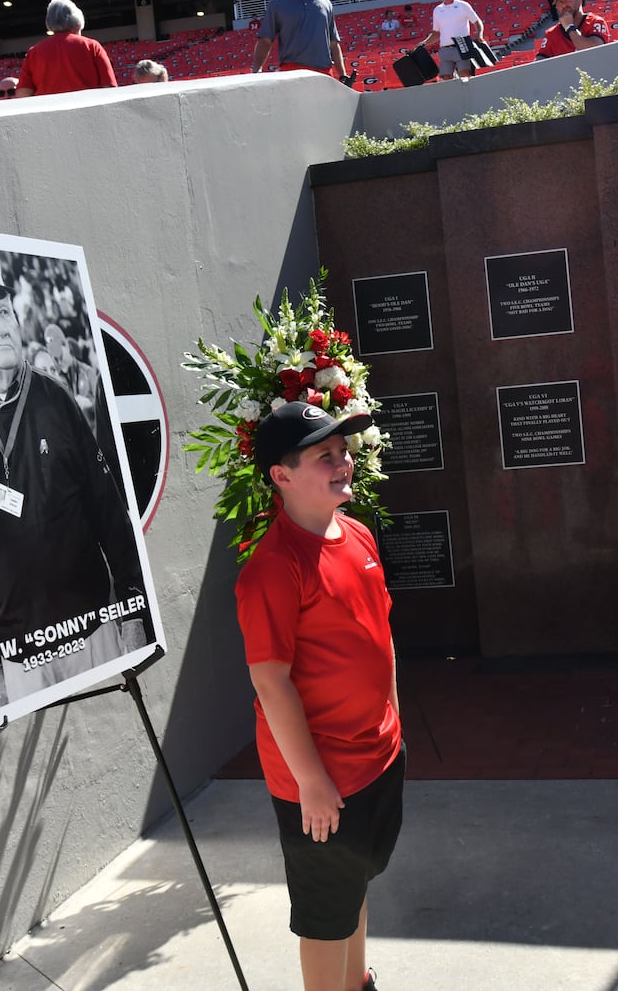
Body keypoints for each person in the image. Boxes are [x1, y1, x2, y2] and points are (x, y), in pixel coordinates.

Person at [0, 250, 152, 713]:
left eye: (5, 310)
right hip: (17, 656)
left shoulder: (55, 398)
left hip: (92, 630)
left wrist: (133, 606)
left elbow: (108, 510)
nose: (0, 325)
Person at [235, 401, 404, 991]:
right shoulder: (273, 568)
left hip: (376, 758)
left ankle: (357, 982)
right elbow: (270, 681)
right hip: (322, 779)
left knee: (353, 884)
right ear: (281, 476)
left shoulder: (355, 532)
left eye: (345, 451)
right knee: (325, 917)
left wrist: (394, 722)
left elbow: (377, 634)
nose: (344, 462)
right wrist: (311, 781)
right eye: (324, 455)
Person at [253, 0, 353, 86]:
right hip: (292, 74)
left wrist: (342, 75)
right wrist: (256, 71)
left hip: (324, 74)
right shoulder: (277, 3)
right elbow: (265, 40)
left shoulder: (325, 3)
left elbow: (333, 43)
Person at [15, 0, 117, 97]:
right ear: (78, 23)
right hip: (87, 109)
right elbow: (109, 88)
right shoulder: (92, 46)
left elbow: (23, 94)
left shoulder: (34, 52)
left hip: (50, 111)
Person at [418, 0, 484, 81]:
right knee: (446, 77)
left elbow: (476, 21)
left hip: (462, 46)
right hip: (445, 48)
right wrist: (424, 43)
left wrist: (479, 34)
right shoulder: (438, 10)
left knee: (465, 75)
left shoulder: (463, 5)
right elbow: (436, 33)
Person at [538, 0, 607, 57]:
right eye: (559, 2)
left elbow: (596, 51)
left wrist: (569, 27)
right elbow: (539, 63)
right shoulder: (551, 34)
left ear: (580, 0)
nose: (564, 4)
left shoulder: (595, 22)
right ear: (556, 7)